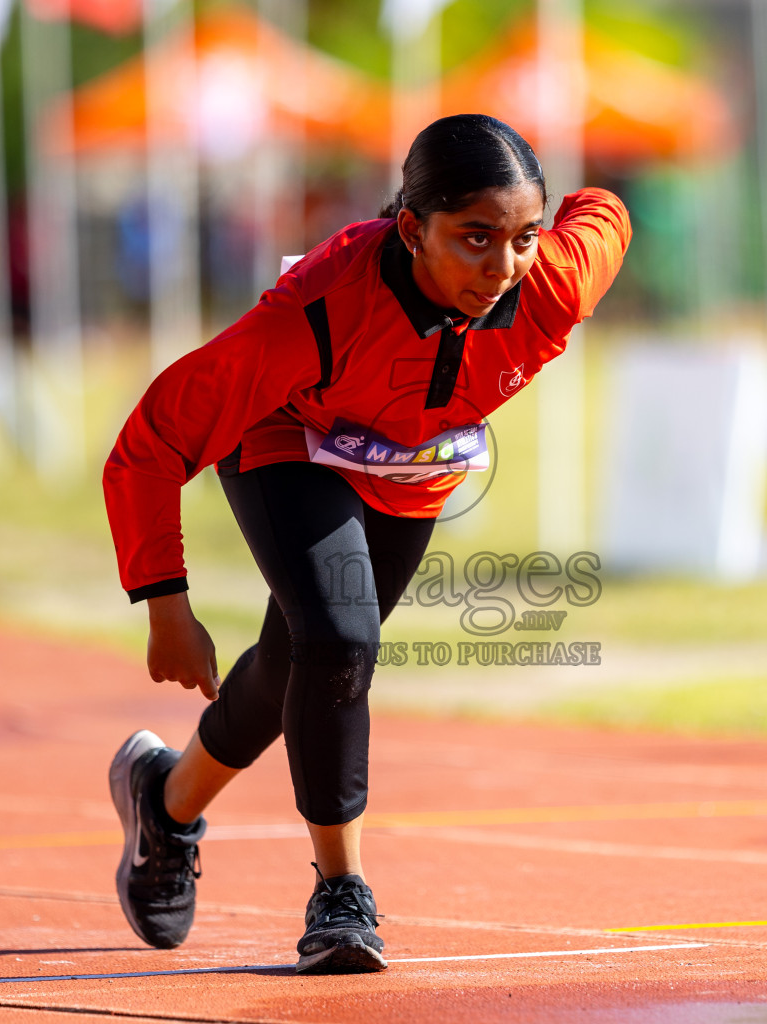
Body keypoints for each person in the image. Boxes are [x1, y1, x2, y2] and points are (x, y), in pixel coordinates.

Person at [102, 114, 630, 975]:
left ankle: (164, 800)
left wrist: (566, 214)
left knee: (305, 659)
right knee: (342, 639)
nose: (502, 269)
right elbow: (152, 441)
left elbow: (605, 214)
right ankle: (340, 895)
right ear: (412, 229)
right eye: (475, 239)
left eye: (524, 237)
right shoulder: (313, 316)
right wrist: (165, 602)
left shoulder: (551, 283)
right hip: (288, 436)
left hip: (410, 471)